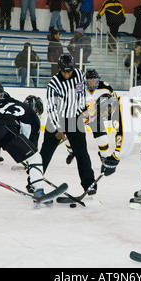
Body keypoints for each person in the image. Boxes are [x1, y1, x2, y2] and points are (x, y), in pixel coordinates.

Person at [40, 54, 96, 195]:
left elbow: (81, 94)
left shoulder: (79, 75)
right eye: (64, 71)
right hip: (56, 119)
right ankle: (33, 181)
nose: (66, 73)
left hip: (74, 119)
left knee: (82, 153)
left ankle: (89, 184)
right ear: (59, 69)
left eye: (69, 70)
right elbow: (51, 108)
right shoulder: (54, 83)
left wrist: (85, 111)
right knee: (45, 153)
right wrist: (58, 128)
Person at [65, 69, 117, 164]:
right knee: (67, 136)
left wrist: (104, 112)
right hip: (79, 114)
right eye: (90, 81)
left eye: (94, 80)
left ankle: (104, 156)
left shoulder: (105, 87)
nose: (92, 83)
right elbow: (70, 103)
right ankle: (72, 152)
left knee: (102, 138)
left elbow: (114, 102)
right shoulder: (78, 88)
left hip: (96, 116)